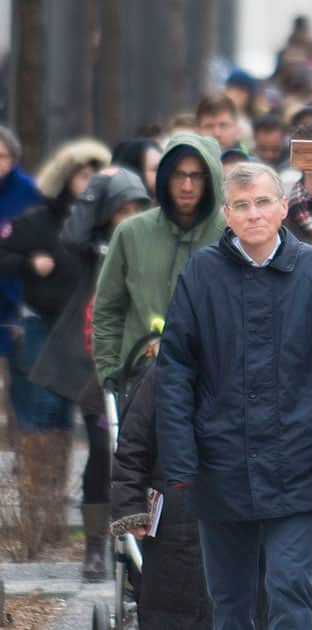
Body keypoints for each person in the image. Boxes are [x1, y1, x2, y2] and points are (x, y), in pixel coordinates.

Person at [156, 162, 312, 628]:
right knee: (229, 601)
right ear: (226, 213)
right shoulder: (202, 273)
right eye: (241, 205)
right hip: (221, 459)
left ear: (283, 206)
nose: (253, 214)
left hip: (296, 459)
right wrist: (179, 455)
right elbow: (176, 367)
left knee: (291, 593)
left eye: (263, 202)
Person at [29, 167, 149, 580]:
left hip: (142, 364)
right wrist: (99, 185)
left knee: (144, 458)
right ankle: (95, 545)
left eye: (138, 207)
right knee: (101, 452)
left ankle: (144, 541)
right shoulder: (94, 247)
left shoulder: (150, 244)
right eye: (122, 209)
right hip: (93, 368)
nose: (130, 217)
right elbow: (71, 236)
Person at [0, 137, 110, 546]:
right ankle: (39, 517)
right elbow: (4, 254)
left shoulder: (107, 223)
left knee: (94, 431)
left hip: (91, 332)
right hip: (43, 328)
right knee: (43, 421)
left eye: (96, 175)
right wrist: (29, 262)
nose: (90, 182)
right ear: (66, 178)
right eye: (83, 174)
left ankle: (83, 529)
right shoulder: (38, 221)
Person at [92, 131, 226, 386]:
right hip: (142, 379)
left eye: (196, 175)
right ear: (164, 177)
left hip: (215, 383)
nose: (187, 186)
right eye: (178, 174)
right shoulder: (131, 232)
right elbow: (107, 309)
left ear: (210, 179)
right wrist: (110, 373)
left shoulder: (231, 233)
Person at [111, 366, 213, 628]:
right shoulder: (164, 373)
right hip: (175, 522)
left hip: (234, 518)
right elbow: (133, 446)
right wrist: (130, 505)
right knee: (171, 605)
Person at [0, 126, 43, 445]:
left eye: (2, 157)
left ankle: (24, 445)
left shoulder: (29, 191)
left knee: (21, 378)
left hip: (19, 296)